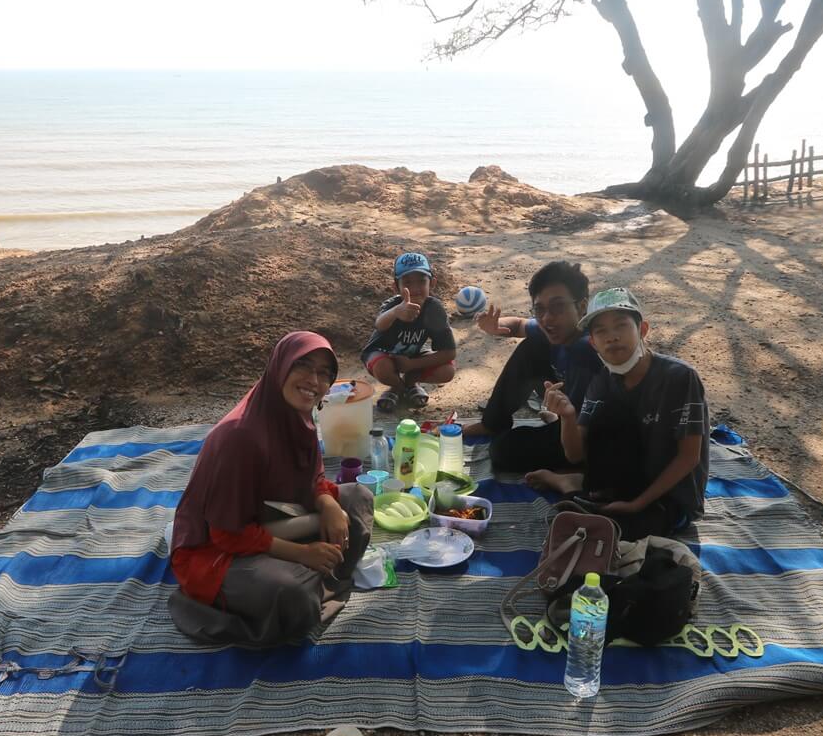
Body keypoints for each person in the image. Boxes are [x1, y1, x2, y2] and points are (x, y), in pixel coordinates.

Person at [169, 332, 375, 647]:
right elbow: (225, 535)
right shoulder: (239, 437)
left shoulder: (299, 415)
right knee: (289, 594)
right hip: (217, 549)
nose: (313, 380)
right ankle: (309, 582)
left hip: (269, 518)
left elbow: (312, 477)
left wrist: (328, 504)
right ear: (281, 366)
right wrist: (303, 553)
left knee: (358, 499)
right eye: (303, 366)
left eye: (324, 373)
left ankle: (312, 576)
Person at [527, 287, 710, 540]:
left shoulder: (679, 378)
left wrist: (637, 504)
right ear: (593, 343)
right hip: (620, 486)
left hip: (670, 497)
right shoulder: (603, 381)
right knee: (575, 524)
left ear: (642, 330)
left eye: (621, 326)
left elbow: (689, 457)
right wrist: (567, 417)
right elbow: (575, 454)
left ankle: (571, 485)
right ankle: (579, 486)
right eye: (601, 331)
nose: (612, 337)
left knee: (609, 532)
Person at [463, 260, 601, 474]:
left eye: (558, 307)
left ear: (582, 307)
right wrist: (497, 327)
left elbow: (585, 432)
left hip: (591, 431)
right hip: (567, 401)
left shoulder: (587, 347)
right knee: (531, 347)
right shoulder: (557, 328)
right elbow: (519, 324)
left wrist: (564, 424)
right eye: (539, 309)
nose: (547, 318)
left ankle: (572, 470)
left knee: (502, 450)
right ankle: (493, 423)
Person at [361, 251, 457, 411]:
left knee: (447, 370)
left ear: (432, 283)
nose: (415, 289)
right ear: (396, 287)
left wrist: (412, 364)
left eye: (421, 281)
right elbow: (380, 324)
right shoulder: (393, 305)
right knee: (383, 368)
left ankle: (411, 382)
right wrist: (395, 312)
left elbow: (449, 352)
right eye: (407, 282)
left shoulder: (434, 309)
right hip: (384, 355)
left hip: (412, 357)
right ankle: (398, 387)